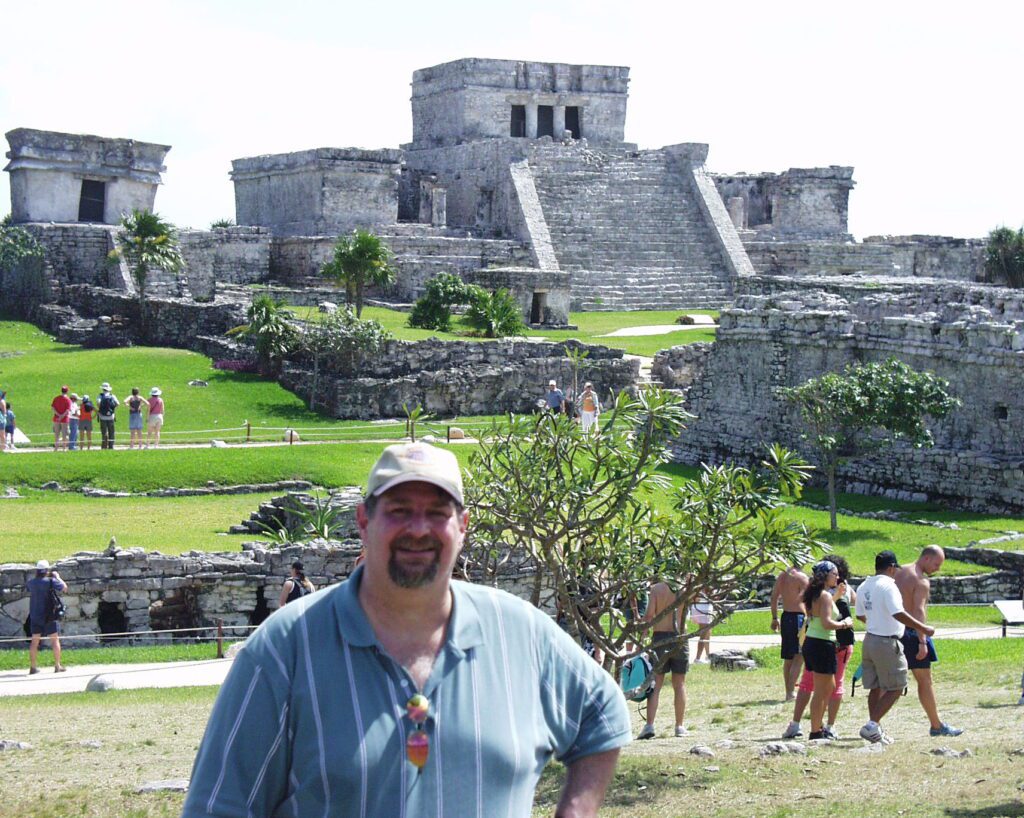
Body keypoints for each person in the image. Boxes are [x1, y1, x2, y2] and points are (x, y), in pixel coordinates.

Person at [182, 442, 630, 817]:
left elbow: (603, 713)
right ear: (363, 520)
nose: (419, 529)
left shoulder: (521, 633)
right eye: (399, 510)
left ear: (462, 526)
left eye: (437, 512)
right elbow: (218, 805)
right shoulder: (284, 650)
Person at [855, 550, 935, 744]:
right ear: (891, 568)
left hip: (870, 638)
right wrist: (922, 627)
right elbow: (897, 612)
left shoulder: (864, 585)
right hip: (887, 641)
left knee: (876, 686)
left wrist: (874, 621)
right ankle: (872, 724)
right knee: (897, 686)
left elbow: (860, 614)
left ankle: (876, 729)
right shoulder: (888, 586)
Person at [784, 555, 857, 739]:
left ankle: (818, 725)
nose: (837, 577)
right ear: (826, 576)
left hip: (813, 642)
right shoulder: (823, 595)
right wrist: (845, 624)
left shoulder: (815, 594)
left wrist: (837, 596)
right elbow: (826, 622)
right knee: (821, 690)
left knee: (828, 686)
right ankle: (816, 731)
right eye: (834, 574)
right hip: (822, 642)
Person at [894, 545, 963, 737]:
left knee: (886, 683)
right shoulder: (921, 581)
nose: (938, 569)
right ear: (925, 558)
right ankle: (936, 725)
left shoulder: (899, 572)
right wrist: (922, 641)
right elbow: (918, 611)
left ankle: (873, 723)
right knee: (925, 681)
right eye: (936, 564)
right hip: (912, 633)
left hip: (893, 630)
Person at [637, 579, 689, 739]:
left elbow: (649, 615)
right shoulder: (686, 587)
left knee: (656, 684)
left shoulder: (656, 589)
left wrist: (641, 640)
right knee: (679, 684)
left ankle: (649, 725)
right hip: (680, 635)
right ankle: (679, 726)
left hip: (659, 636)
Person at [770, 562, 809, 700]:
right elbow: (809, 600)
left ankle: (789, 691)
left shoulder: (782, 576)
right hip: (798, 618)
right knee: (799, 657)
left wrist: (774, 617)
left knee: (788, 658)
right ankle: (790, 692)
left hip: (786, 616)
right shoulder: (802, 577)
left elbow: (774, 597)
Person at [27, 560, 67, 674]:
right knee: (55, 641)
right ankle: (57, 665)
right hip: (49, 616)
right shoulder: (51, 581)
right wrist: (57, 577)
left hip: (35, 616)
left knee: (34, 642)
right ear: (47, 570)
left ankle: (33, 667)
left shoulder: (31, 582)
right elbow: (64, 588)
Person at [690, 594, 714, 664]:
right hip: (701, 609)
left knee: (708, 632)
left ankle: (708, 655)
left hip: (707, 607)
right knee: (704, 633)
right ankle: (697, 658)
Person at [98, 383, 119, 449]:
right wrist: (112, 409)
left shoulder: (100, 396)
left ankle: (104, 446)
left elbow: (98, 403)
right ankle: (111, 446)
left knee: (104, 432)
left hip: (102, 417)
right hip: (111, 416)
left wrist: (101, 409)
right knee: (111, 432)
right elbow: (118, 403)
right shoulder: (112, 396)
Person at [51, 385, 72, 451]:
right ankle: (64, 448)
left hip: (56, 418)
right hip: (64, 419)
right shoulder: (68, 400)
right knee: (64, 434)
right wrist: (62, 416)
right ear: (67, 391)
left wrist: (58, 415)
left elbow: (53, 408)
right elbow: (67, 410)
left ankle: (56, 448)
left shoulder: (56, 398)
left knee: (56, 434)